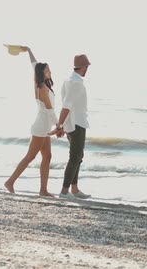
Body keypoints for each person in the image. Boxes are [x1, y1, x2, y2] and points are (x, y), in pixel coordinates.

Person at [4, 47, 57, 197]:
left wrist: (28, 50)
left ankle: (43, 190)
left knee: (47, 156)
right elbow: (49, 110)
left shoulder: (44, 84)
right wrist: (59, 126)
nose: (50, 70)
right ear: (43, 72)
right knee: (30, 156)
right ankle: (10, 182)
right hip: (41, 127)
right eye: (47, 69)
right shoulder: (42, 88)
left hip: (44, 126)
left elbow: (34, 65)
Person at [50, 54, 92, 200]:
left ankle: (74, 189)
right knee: (75, 157)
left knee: (78, 156)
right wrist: (59, 125)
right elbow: (67, 105)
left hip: (73, 123)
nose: (87, 69)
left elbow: (66, 104)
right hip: (76, 124)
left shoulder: (69, 79)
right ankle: (64, 191)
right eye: (87, 66)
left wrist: (62, 125)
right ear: (82, 67)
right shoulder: (76, 83)